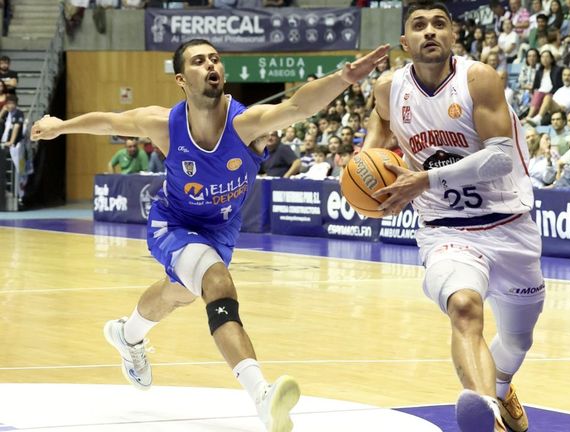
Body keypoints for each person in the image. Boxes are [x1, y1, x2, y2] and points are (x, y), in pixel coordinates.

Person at [31, 38, 388, 432]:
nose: (210, 64)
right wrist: (60, 126)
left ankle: (127, 334)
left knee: (178, 293)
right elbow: (111, 121)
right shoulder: (163, 124)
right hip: (174, 222)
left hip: (220, 229)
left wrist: (344, 77)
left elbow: (299, 106)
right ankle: (262, 397)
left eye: (215, 59)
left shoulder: (246, 124)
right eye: (199, 61)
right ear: (182, 79)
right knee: (217, 284)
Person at [362, 3, 544, 432]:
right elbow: (379, 134)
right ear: (404, 42)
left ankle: (500, 386)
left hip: (509, 225)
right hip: (445, 228)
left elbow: (500, 159)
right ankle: (487, 414)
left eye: (439, 24)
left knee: (518, 339)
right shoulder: (389, 88)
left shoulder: (478, 79)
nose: (430, 32)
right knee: (464, 307)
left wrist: (423, 179)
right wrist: (364, 171)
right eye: (419, 25)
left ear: (453, 36)